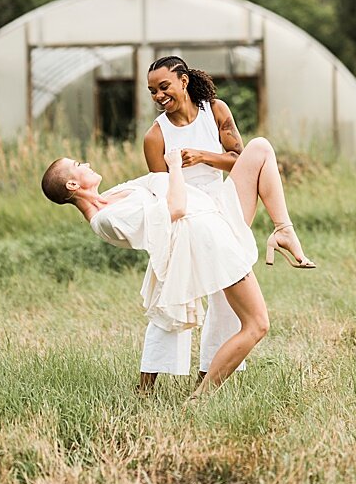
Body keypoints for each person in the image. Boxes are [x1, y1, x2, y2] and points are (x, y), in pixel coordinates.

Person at [135, 55, 314, 391]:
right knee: (169, 297)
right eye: (152, 91)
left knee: (261, 148)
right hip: (187, 214)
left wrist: (202, 156)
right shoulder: (155, 137)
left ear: (183, 81)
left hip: (224, 206)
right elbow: (159, 193)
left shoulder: (215, 110)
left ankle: (283, 229)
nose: (159, 96)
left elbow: (238, 159)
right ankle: (145, 388)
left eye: (164, 87)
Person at [41, 154, 268, 394]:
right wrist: (175, 167)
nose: (86, 164)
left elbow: (156, 181)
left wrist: (165, 187)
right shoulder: (107, 219)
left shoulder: (111, 197)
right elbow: (177, 206)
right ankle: (200, 396)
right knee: (257, 323)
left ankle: (185, 384)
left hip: (205, 226)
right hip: (205, 239)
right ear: (72, 185)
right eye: (77, 165)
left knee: (259, 149)